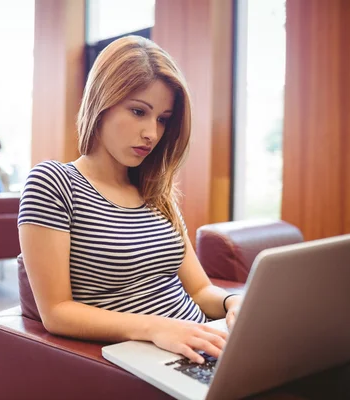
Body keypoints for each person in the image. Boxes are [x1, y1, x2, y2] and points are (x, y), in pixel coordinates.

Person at [18, 36, 243, 365]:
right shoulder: (54, 183)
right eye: (139, 111)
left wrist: (232, 303)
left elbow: (199, 291)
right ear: (101, 102)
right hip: (150, 357)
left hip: (199, 345)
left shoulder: (155, 191)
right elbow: (56, 312)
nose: (152, 133)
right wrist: (157, 329)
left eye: (162, 119)